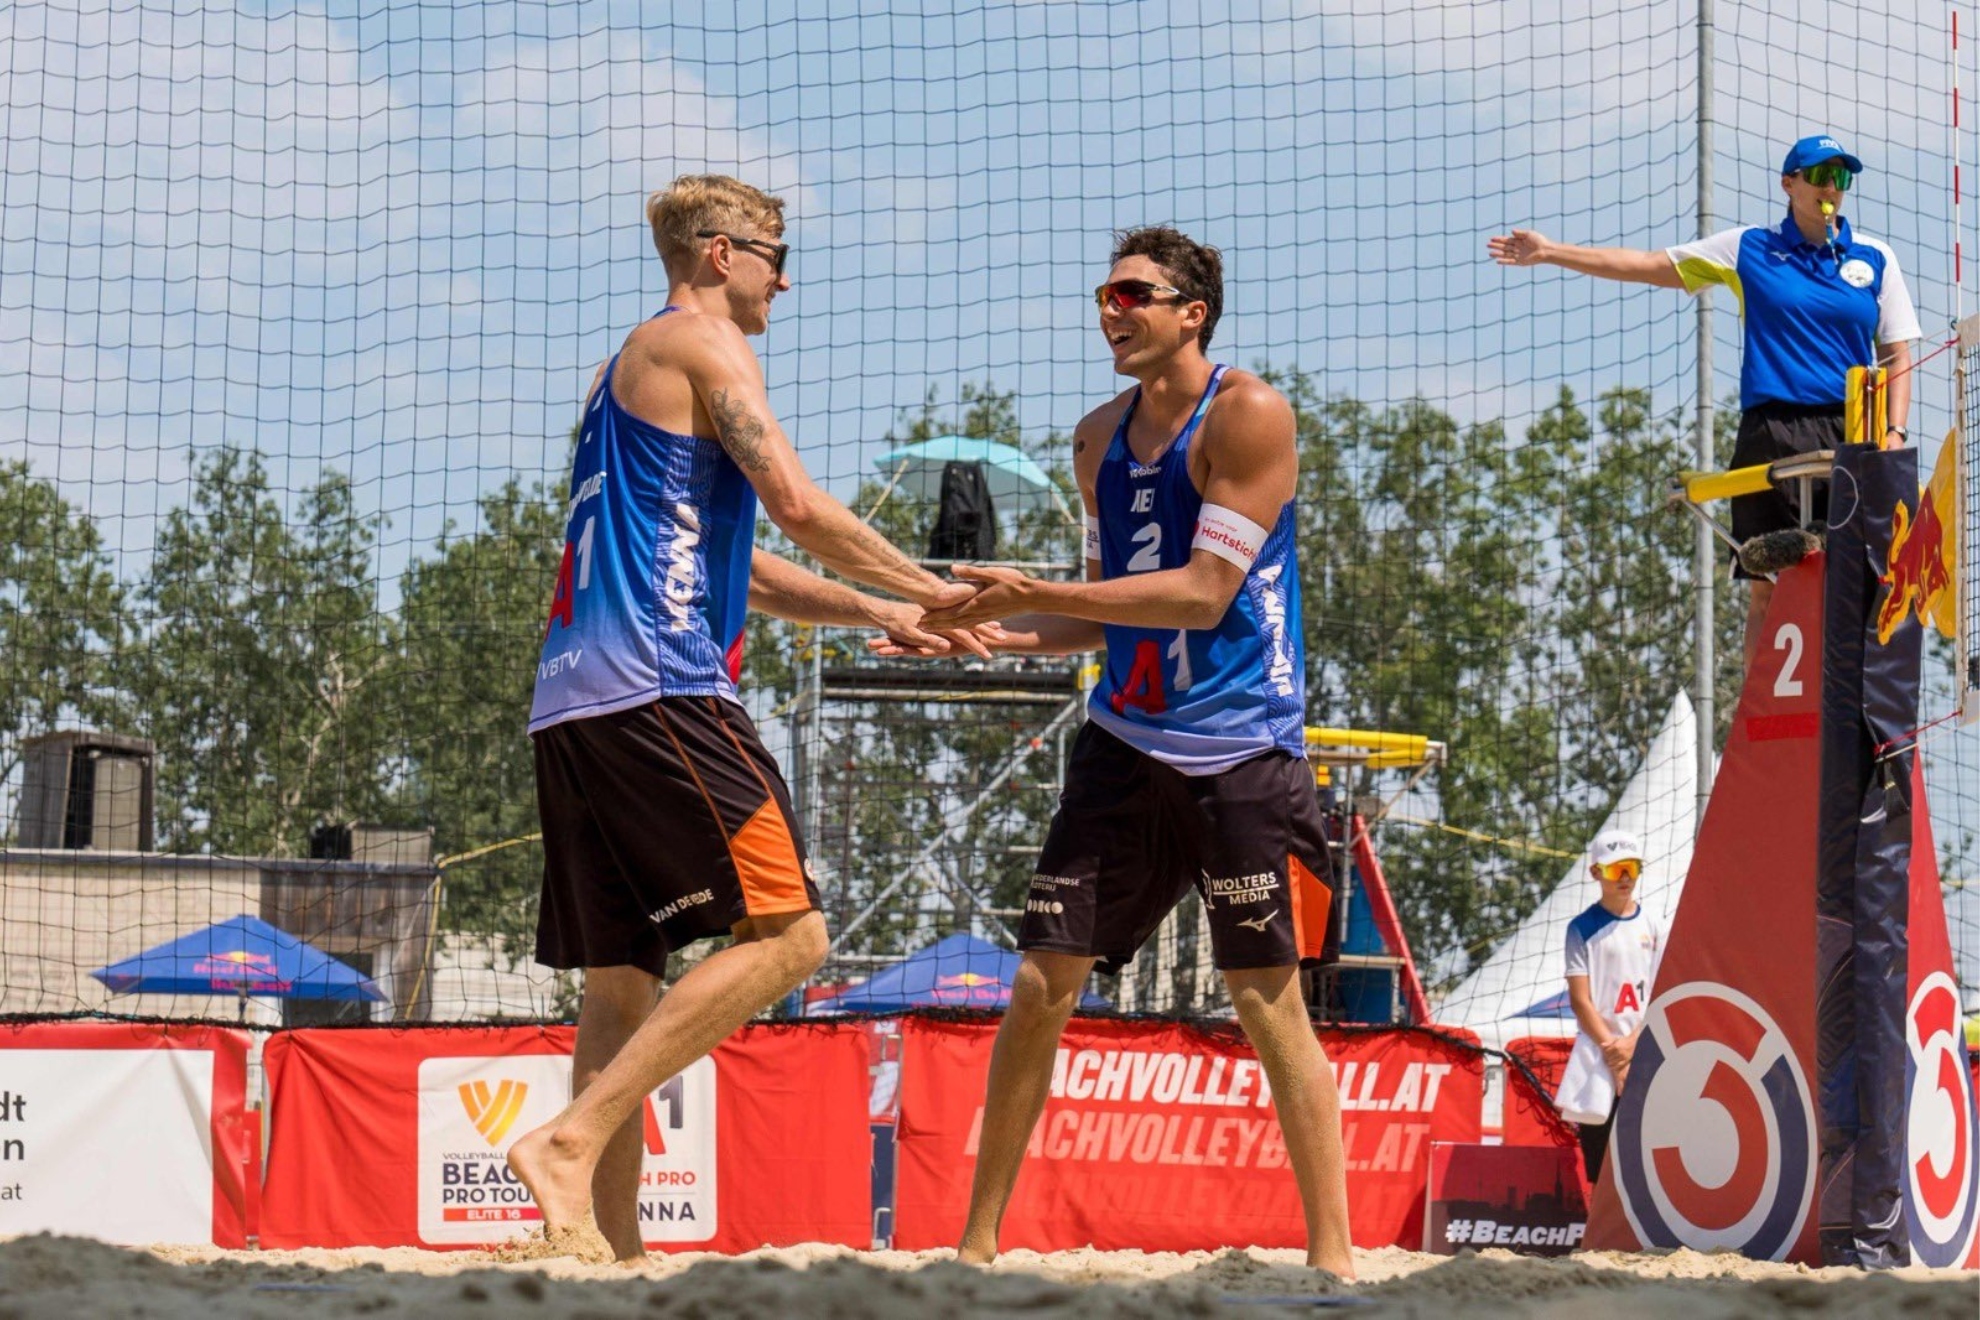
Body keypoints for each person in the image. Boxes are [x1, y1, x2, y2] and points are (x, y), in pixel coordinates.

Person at [508, 174, 988, 1261]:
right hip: (662, 687)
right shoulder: (704, 344)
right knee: (792, 935)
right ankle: (569, 1141)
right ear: (721, 254)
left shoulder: (618, 373)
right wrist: (936, 590)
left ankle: (602, 1250)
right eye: (778, 258)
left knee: (622, 986)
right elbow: (801, 507)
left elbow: (746, 565)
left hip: (573, 701)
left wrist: (879, 610)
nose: (786, 282)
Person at [902, 226, 1356, 1278]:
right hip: (1125, 742)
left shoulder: (1248, 413)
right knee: (1039, 981)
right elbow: (1103, 616)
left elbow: (1201, 595)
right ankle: (975, 1248)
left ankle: (1334, 1261)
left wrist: (1031, 588)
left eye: (1132, 294)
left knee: (1266, 998)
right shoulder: (1096, 438)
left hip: (1241, 750)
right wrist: (978, 628)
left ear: (1193, 312)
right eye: (1105, 295)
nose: (1111, 311)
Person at [1488, 133, 1923, 667]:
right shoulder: (1749, 248)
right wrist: (1552, 251)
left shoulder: (1875, 257)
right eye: (1818, 175)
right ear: (1789, 184)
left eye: (1841, 177)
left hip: (1851, 432)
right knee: (1767, 583)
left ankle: (1858, 711)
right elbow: (1649, 264)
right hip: (1772, 429)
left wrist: (1894, 434)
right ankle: (1761, 712)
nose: (1831, 187)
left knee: (1860, 580)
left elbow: (1897, 354)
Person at [1553, 829, 1667, 1185]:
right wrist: (1615, 1054)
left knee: (1647, 1160)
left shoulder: (1655, 925)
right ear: (1595, 873)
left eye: (1633, 867)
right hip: (1599, 1054)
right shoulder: (1581, 928)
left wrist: (1632, 1045)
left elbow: (1661, 992)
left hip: (1645, 1049)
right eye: (1617, 869)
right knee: (1601, 1167)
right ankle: (1600, 1223)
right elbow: (1580, 1000)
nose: (1626, 877)